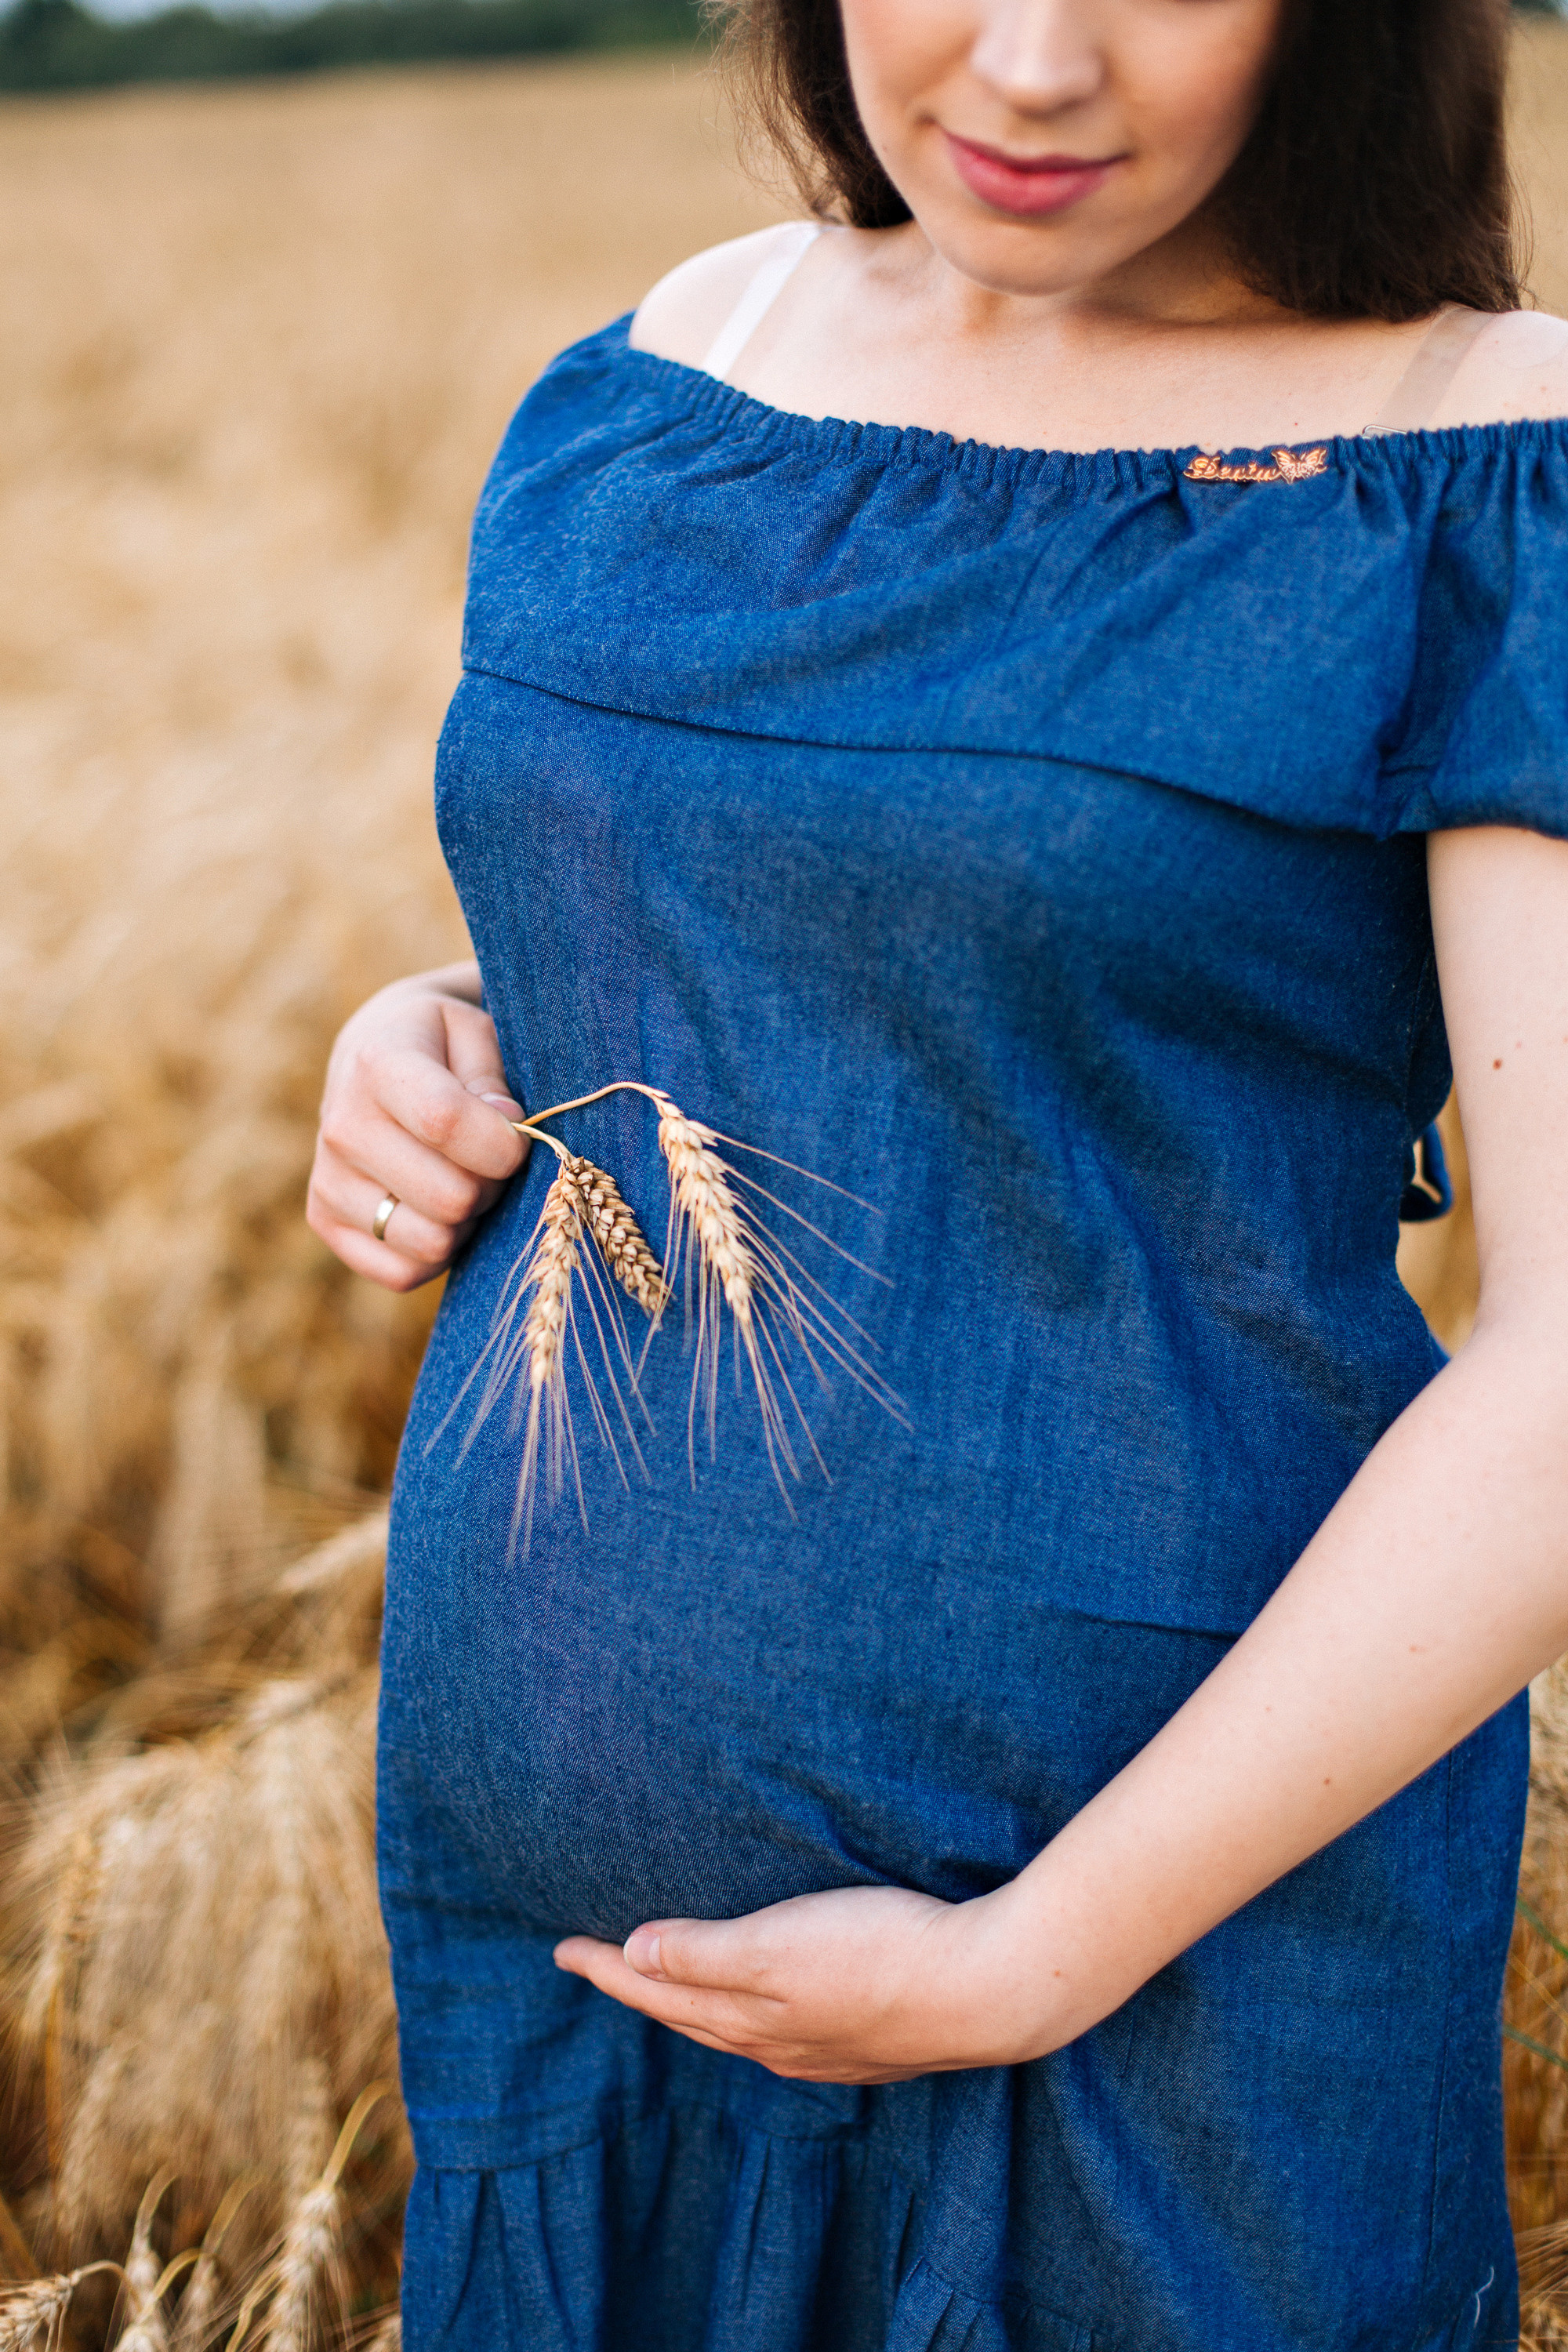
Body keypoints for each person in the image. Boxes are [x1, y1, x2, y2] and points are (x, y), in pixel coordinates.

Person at [307, 0, 1568, 2343]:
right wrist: (442, 1040)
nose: (1029, 59)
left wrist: (1024, 1962)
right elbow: (759, 952)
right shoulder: (689, 355)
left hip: (1159, 2000)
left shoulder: (1491, 458)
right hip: (590, 1999)